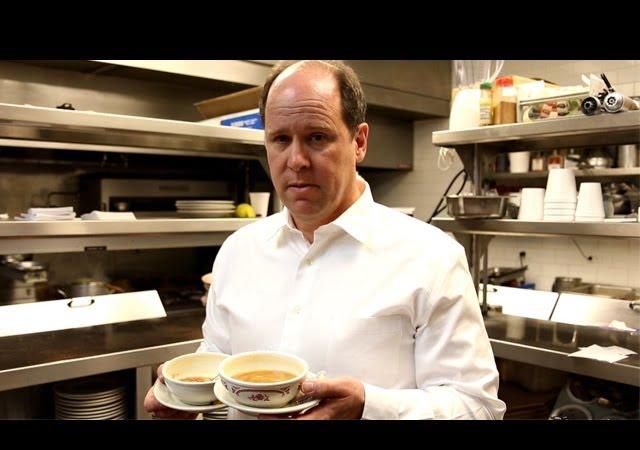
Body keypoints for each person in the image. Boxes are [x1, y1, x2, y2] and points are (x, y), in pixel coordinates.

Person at [145, 60, 506, 420]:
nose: (296, 160)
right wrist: (186, 395)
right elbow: (218, 359)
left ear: (359, 141)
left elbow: (477, 407)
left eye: (317, 137)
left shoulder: (432, 257)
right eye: (280, 139)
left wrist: (369, 407)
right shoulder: (238, 251)